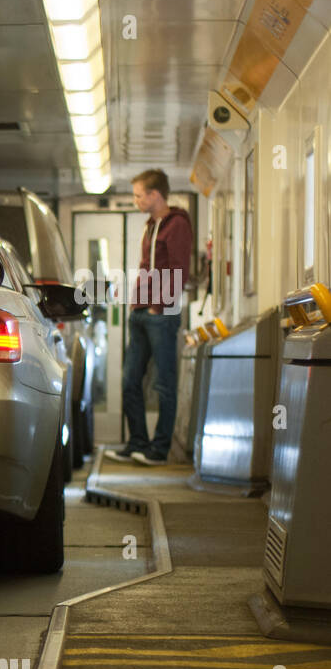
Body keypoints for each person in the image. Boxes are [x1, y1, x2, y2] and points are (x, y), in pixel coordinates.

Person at [106, 169, 194, 466]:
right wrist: (137, 303)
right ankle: (137, 442)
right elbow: (147, 267)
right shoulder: (150, 226)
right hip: (140, 312)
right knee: (130, 380)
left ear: (155, 194)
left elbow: (180, 269)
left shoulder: (178, 224)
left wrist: (159, 305)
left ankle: (159, 449)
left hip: (160, 314)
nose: (136, 200)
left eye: (138, 194)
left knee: (164, 383)